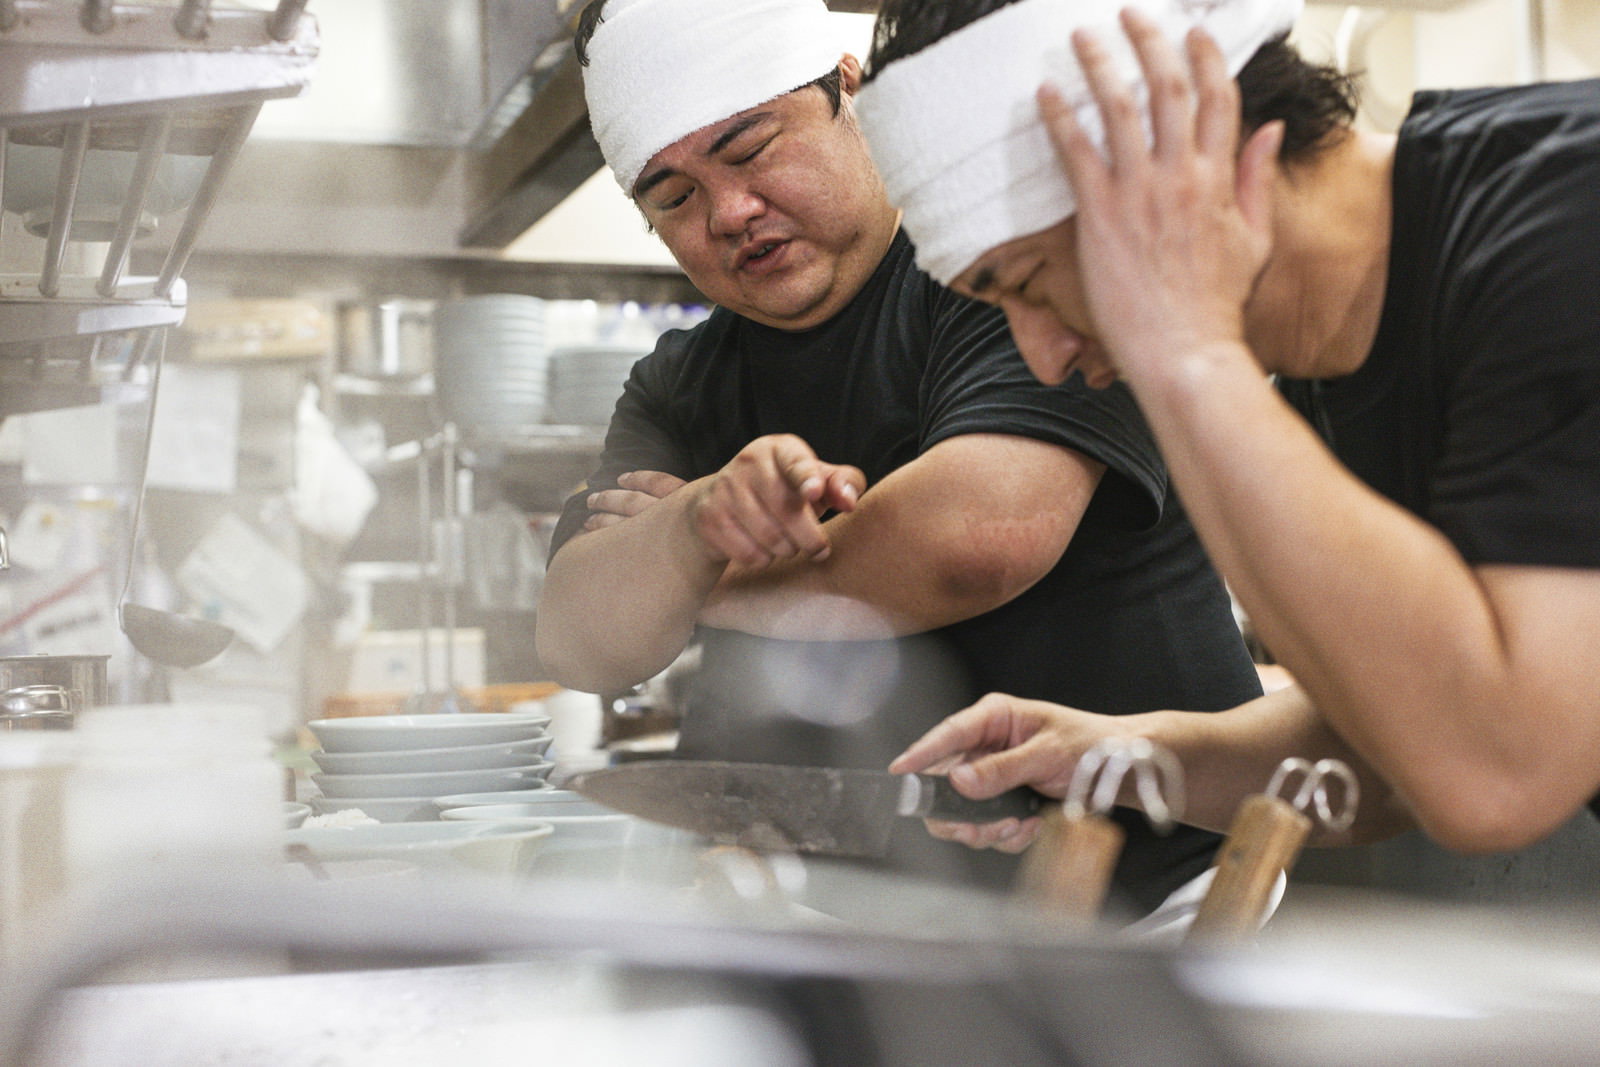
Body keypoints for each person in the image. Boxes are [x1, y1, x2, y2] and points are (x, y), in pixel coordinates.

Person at [534, 0, 1266, 916]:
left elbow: (975, 540)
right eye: (673, 196)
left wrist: (695, 573)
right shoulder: (681, 380)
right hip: (834, 909)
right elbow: (580, 634)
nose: (730, 212)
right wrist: (694, 518)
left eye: (750, 147)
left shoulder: (998, 274)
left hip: (1125, 905)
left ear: (850, 90)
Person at [856, 0, 1600, 858]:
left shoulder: (1560, 224)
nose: (1044, 357)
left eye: (1028, 283)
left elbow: (1497, 775)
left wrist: (1190, 351)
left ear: (1184, 167)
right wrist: (1113, 756)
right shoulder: (1319, 368)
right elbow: (1393, 753)